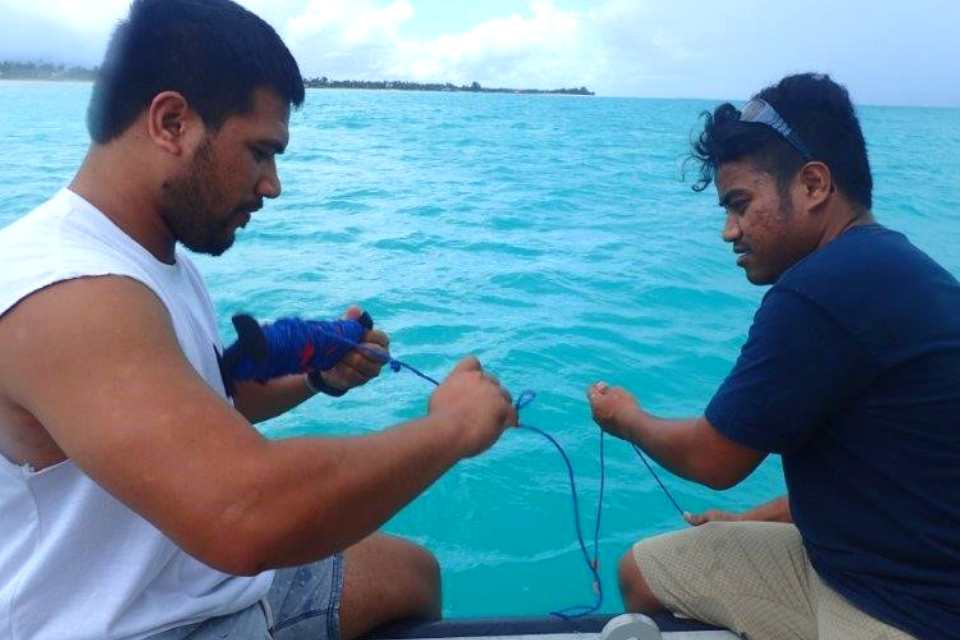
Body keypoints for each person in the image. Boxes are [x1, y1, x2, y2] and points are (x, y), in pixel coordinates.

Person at [0, 1, 516, 639]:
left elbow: (200, 412)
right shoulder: (70, 295)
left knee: (409, 571)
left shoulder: (148, 257)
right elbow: (245, 514)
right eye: (260, 152)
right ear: (171, 122)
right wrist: (454, 429)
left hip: (183, 578)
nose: (271, 186)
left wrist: (320, 381)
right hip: (132, 624)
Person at [586, 73, 960, 640]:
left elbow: (715, 461)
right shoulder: (900, 268)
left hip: (906, 611)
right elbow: (889, 475)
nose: (728, 231)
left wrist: (627, 419)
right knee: (645, 573)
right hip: (849, 568)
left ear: (813, 185)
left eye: (740, 204)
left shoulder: (817, 291)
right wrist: (753, 521)